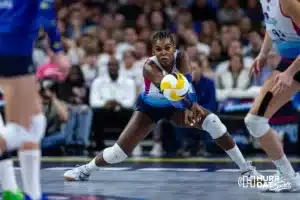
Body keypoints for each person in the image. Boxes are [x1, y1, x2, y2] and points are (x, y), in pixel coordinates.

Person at [64, 31, 261, 182]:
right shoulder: (149, 67)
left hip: (176, 108)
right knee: (118, 154)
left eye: (167, 48)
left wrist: (191, 104)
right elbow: (171, 91)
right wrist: (191, 105)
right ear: (153, 52)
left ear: (174, 47)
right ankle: (85, 169)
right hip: (149, 109)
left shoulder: (182, 58)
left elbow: (187, 88)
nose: (164, 53)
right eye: (159, 50)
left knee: (213, 122)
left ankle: (246, 169)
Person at [0, 0, 70, 200]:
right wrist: (57, 52)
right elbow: (46, 13)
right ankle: (20, 192)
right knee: (28, 127)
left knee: (33, 123)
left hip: (11, 48)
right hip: (13, 49)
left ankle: (30, 193)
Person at [245, 0, 300, 192]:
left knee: (255, 120)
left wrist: (290, 73)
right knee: (255, 120)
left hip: (294, 65)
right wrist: (262, 54)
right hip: (289, 62)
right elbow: (273, 26)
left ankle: (289, 176)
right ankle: (288, 176)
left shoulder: (288, 2)